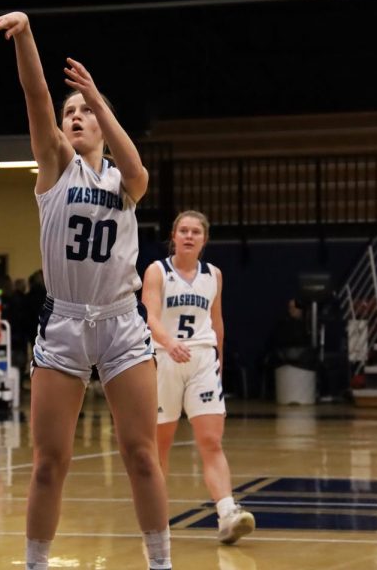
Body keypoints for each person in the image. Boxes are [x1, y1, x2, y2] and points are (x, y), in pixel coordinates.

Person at [0, 11, 170, 570]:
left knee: (140, 454)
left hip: (119, 321)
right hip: (63, 324)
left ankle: (161, 564)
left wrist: (98, 98)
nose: (76, 116)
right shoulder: (56, 168)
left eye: (84, 112)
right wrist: (26, 35)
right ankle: (36, 563)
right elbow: (37, 96)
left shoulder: (123, 181)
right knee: (47, 462)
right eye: (70, 113)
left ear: (103, 123)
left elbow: (137, 170)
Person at [141, 210, 255, 545]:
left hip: (203, 360)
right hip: (165, 359)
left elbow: (216, 321)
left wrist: (219, 359)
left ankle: (227, 513)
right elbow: (148, 314)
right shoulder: (157, 271)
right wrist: (168, 341)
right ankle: (156, 518)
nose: (189, 236)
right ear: (173, 236)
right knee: (159, 445)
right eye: (183, 231)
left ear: (204, 240)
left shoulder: (214, 275)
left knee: (211, 441)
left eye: (196, 232)